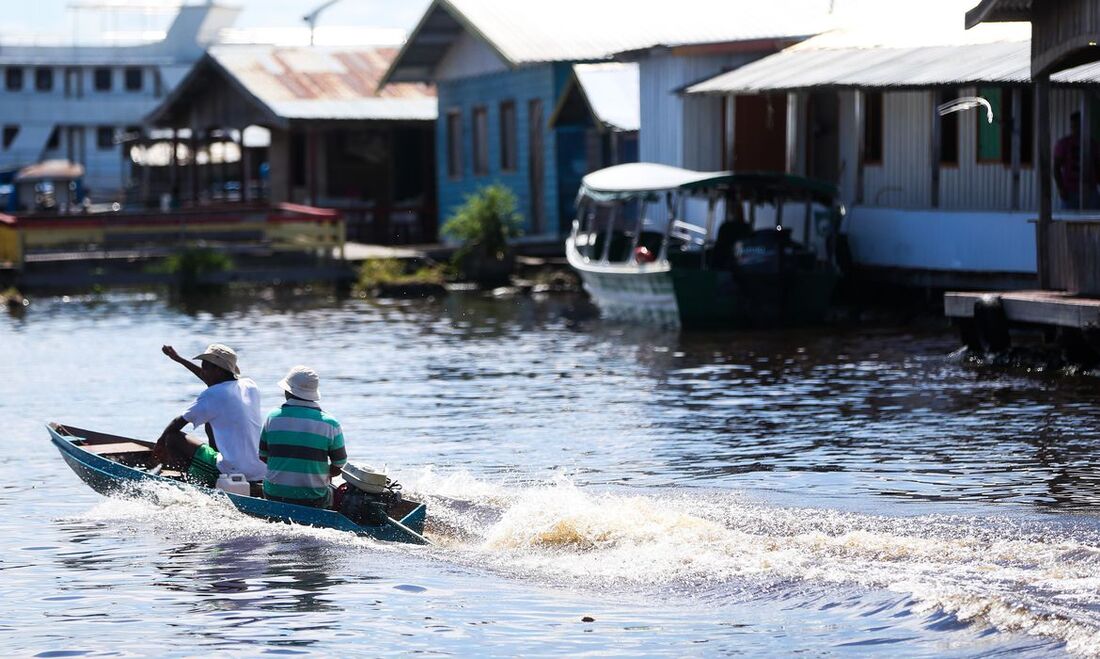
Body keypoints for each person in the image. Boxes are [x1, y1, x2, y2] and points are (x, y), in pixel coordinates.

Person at [153, 344, 266, 488]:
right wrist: (179, 359)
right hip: (260, 469)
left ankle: (195, 484)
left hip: (234, 470)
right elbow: (212, 381)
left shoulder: (212, 395)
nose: (203, 371)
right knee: (209, 421)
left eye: (205, 367)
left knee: (172, 437)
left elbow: (178, 422)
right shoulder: (250, 385)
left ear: (218, 370)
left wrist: (160, 444)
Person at [259, 366, 347, 509]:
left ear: (288, 391)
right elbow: (339, 465)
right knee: (335, 493)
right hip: (314, 499)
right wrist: (318, 473)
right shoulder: (330, 424)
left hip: (274, 494)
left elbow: (263, 456)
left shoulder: (273, 418)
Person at [1053, 111, 1100, 210]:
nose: (1076, 129)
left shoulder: (1093, 144)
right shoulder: (1064, 143)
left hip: (1090, 190)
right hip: (1070, 191)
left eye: (1079, 126)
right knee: (1068, 221)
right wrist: (1061, 188)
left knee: (1093, 220)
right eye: (1074, 126)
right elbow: (1056, 168)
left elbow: (1097, 165)